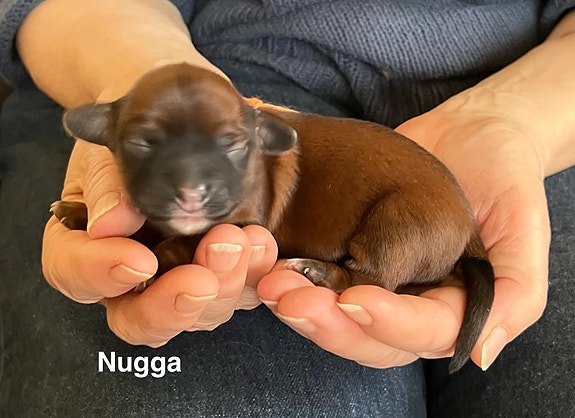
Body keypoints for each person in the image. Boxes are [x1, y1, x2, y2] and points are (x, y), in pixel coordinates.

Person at [1, 0, 574, 416]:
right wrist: (137, 78)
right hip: (209, 60)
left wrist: (512, 120)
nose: (189, 187)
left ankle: (359, 273)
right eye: (147, 145)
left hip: (540, 98)